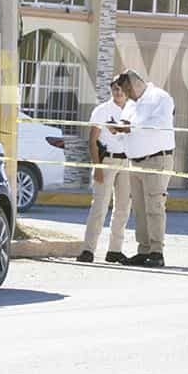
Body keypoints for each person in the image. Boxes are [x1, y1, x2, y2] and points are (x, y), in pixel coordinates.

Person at [109, 69, 175, 268]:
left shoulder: (161, 98)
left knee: (154, 206)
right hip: (135, 162)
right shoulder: (131, 104)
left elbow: (158, 123)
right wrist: (117, 128)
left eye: (127, 90)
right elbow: (127, 128)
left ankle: (157, 252)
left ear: (135, 83)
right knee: (139, 208)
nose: (126, 95)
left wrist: (130, 127)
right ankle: (143, 250)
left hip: (156, 160)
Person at [77, 79, 134, 264]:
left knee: (123, 208)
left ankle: (114, 250)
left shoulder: (132, 110)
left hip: (126, 161)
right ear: (111, 90)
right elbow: (92, 140)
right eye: (116, 89)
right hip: (107, 160)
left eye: (122, 90)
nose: (119, 93)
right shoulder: (102, 110)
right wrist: (98, 167)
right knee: (99, 206)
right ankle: (88, 249)